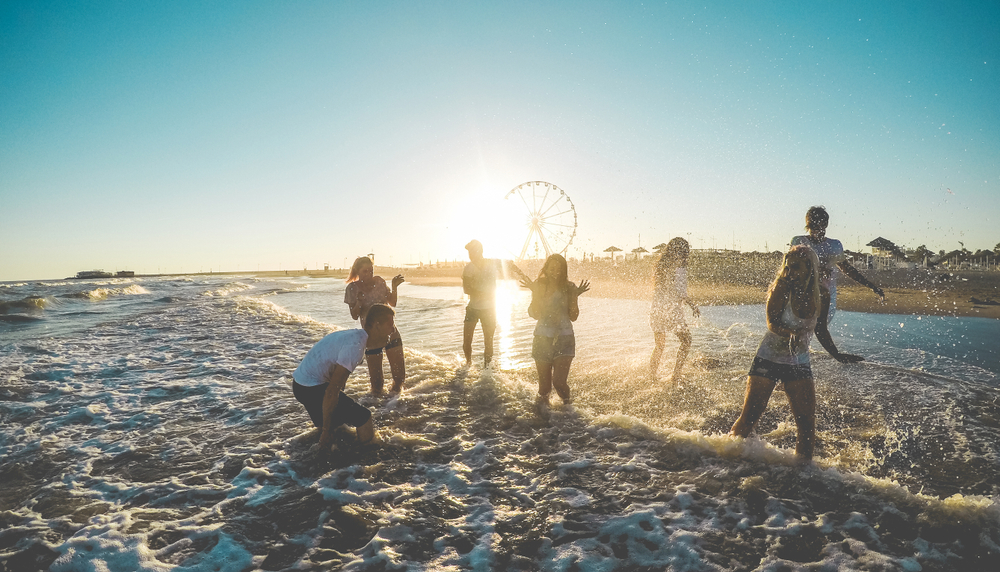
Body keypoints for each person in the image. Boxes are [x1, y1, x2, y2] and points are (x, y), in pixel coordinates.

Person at [730, 245, 823, 461]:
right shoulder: (781, 288)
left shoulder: (822, 294)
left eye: (796, 267)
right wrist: (790, 332)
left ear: (810, 267)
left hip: (798, 362)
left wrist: (837, 353)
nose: (790, 273)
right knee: (750, 417)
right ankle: (729, 458)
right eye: (787, 268)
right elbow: (772, 323)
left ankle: (803, 472)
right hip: (768, 358)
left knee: (806, 424)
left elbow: (821, 330)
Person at [292, 304, 396, 450]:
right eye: (390, 324)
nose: (393, 329)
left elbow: (336, 378)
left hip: (300, 385)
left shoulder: (356, 336)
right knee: (364, 418)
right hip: (311, 388)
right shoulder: (356, 346)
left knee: (335, 428)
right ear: (377, 325)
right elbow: (331, 392)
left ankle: (323, 454)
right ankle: (366, 458)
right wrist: (326, 431)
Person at [791, 206, 885, 363]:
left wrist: (871, 286)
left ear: (826, 224)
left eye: (820, 224)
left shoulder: (834, 245)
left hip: (827, 295)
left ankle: (797, 367)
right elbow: (793, 266)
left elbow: (847, 269)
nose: (817, 229)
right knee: (802, 331)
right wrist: (817, 271)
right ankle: (797, 368)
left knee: (814, 328)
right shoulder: (799, 241)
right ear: (807, 224)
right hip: (803, 293)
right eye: (813, 225)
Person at [520, 254, 590, 408]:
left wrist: (574, 296)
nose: (555, 272)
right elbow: (534, 314)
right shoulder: (539, 285)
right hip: (541, 338)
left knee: (559, 382)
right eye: (552, 268)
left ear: (564, 271)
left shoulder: (570, 287)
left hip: (565, 338)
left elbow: (574, 316)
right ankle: (544, 422)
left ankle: (568, 409)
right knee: (544, 389)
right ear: (546, 268)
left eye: (559, 269)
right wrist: (536, 292)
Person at [462, 240, 529, 367]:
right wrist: (484, 294)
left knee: (488, 342)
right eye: (469, 252)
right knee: (467, 342)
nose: (470, 255)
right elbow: (466, 289)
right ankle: (468, 363)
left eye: (472, 251)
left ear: (480, 251)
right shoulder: (468, 268)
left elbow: (509, 264)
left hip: (490, 309)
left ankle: (487, 369)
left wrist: (523, 276)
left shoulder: (492, 263)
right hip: (472, 309)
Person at [344, 256, 405, 395]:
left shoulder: (379, 281)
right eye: (365, 271)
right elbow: (354, 316)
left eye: (371, 271)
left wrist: (394, 287)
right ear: (357, 271)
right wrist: (359, 302)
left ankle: (396, 407)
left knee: (399, 379)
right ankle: (379, 410)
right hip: (372, 337)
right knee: (377, 386)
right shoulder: (352, 288)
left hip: (390, 330)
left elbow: (392, 303)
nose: (369, 274)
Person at [649, 237, 700, 382]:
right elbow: (680, 292)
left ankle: (652, 377)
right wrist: (692, 305)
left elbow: (664, 289)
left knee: (659, 345)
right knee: (686, 340)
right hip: (671, 310)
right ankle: (676, 375)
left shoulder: (661, 265)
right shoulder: (680, 268)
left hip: (657, 309)